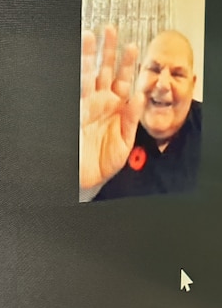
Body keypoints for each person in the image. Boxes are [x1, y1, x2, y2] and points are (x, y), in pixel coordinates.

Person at [80, 26, 201, 201]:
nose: (163, 84)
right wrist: (80, 188)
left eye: (177, 74)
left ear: (192, 84)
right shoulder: (106, 125)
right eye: (154, 69)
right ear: (138, 73)